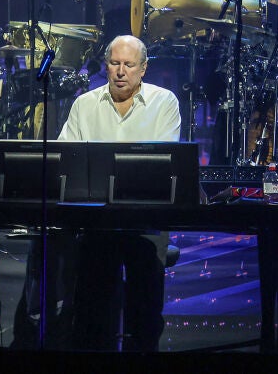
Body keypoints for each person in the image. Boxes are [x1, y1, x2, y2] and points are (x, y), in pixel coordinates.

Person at [26, 35, 180, 352]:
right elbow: (65, 161)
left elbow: (164, 163)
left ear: (143, 69)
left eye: (129, 65)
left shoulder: (164, 102)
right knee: (91, 311)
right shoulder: (84, 104)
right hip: (95, 221)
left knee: (145, 311)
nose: (121, 71)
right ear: (106, 65)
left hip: (144, 221)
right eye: (115, 63)